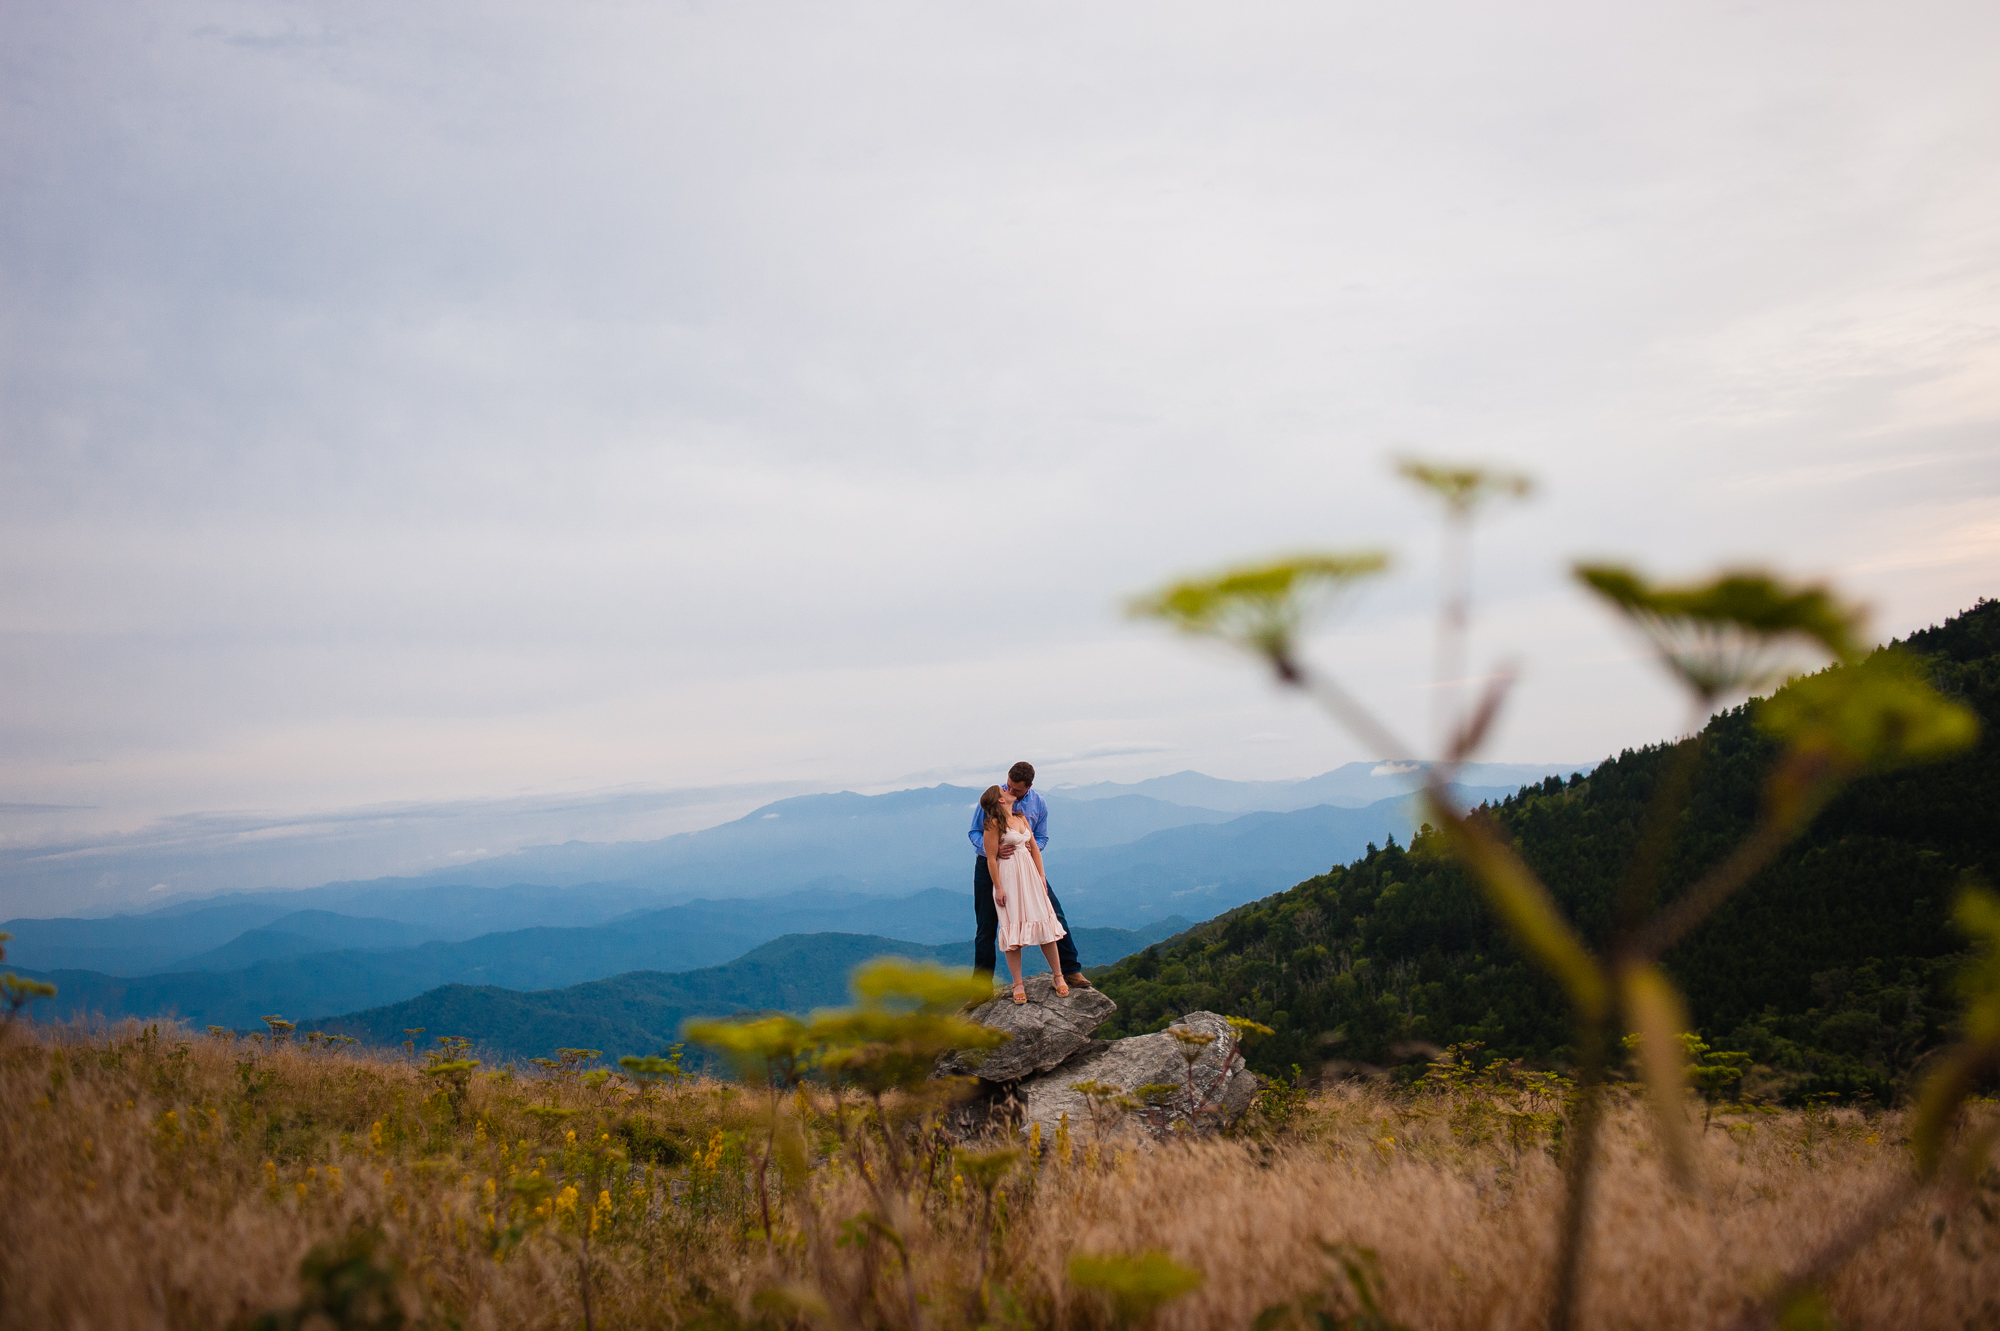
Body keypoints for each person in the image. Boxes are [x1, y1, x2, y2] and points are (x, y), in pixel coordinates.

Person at [967, 760, 1090, 989]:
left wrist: (1029, 849)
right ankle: (981, 988)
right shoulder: (995, 797)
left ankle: (1071, 970)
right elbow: (974, 831)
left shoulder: (1037, 803)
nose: (1011, 791)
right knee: (986, 926)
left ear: (1029, 786)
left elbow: (1042, 837)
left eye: (1017, 789)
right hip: (988, 866)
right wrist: (992, 850)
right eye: (1009, 786)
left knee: (1053, 913)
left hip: (1025, 866)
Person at [978, 783, 1068, 1004]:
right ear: (1000, 800)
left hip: (1029, 875)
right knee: (1013, 929)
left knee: (1045, 923)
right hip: (1008, 877)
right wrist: (998, 887)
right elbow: (990, 859)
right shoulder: (993, 824)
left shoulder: (1020, 818)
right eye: (1004, 792)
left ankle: (1058, 976)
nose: (1008, 791)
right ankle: (1018, 983)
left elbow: (1035, 848)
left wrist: (1041, 876)